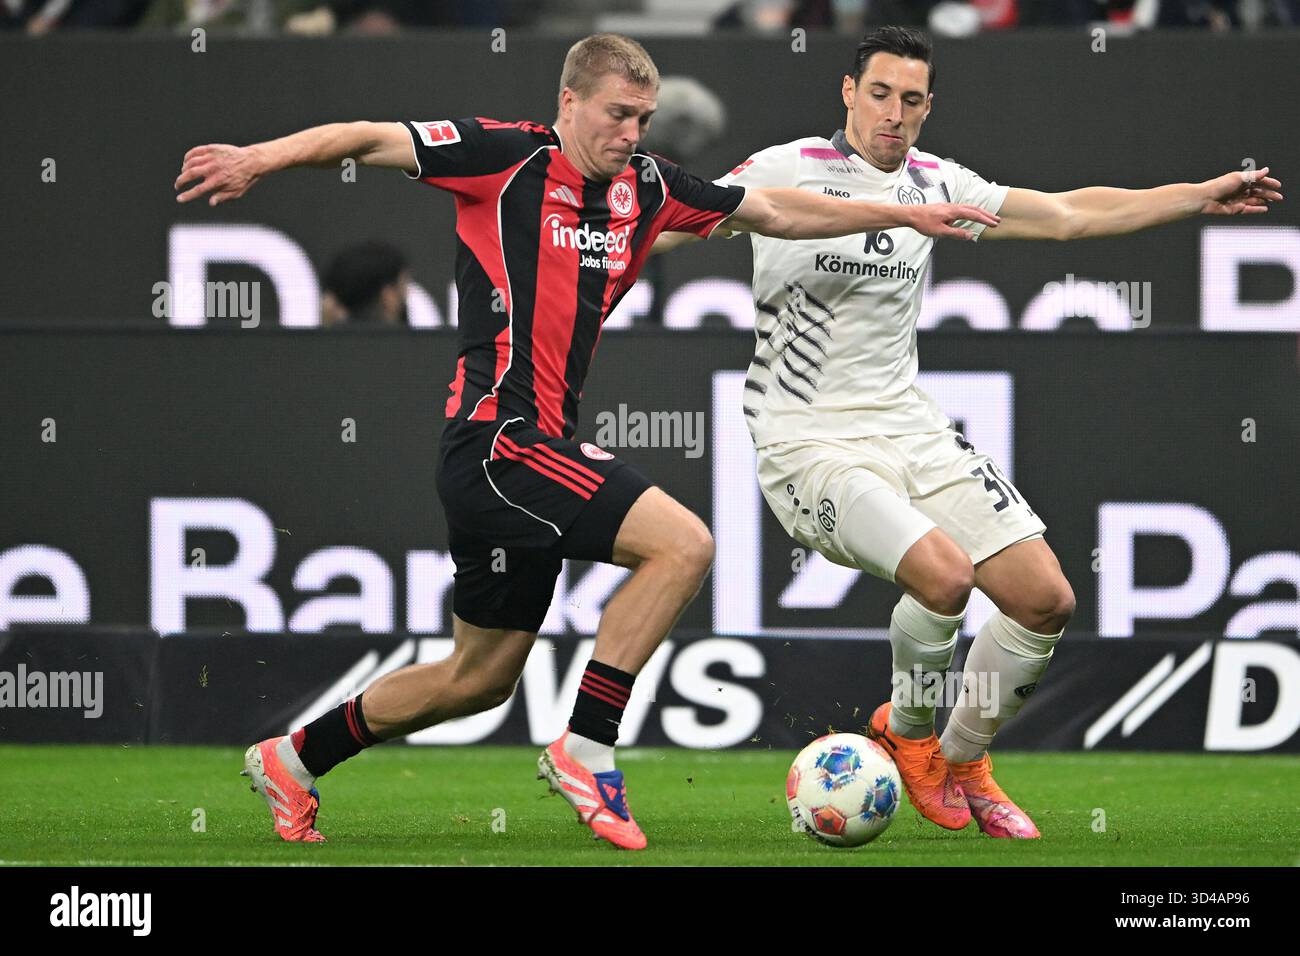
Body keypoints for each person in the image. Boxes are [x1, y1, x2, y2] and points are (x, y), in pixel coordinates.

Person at [174, 32, 999, 850]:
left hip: (528, 452)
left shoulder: (648, 186)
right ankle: (587, 746)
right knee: (683, 545)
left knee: (479, 680)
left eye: (643, 117)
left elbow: (775, 209)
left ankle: (294, 757)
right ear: (568, 103)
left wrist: (904, 211)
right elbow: (367, 138)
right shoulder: (504, 158)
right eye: (617, 114)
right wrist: (259, 158)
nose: (632, 134)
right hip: (496, 441)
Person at [653, 25, 1282, 838]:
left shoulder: (937, 184)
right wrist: (586, 258)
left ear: (928, 107)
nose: (894, 113)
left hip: (909, 427)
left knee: (1044, 599)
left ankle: (963, 755)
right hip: (807, 440)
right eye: (879, 93)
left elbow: (1065, 217)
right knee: (944, 579)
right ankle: (908, 738)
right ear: (848, 93)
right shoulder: (785, 171)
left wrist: (1196, 195)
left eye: (911, 100)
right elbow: (671, 222)